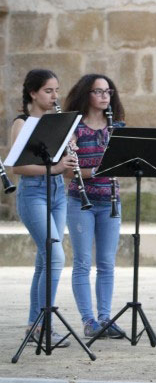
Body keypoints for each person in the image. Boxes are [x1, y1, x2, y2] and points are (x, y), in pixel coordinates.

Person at [10, 69, 77, 348]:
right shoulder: (22, 123)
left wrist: (70, 152)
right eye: (48, 91)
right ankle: (44, 324)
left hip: (58, 192)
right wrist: (56, 167)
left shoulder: (57, 123)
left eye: (57, 90)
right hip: (33, 193)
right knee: (55, 255)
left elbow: (65, 170)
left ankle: (35, 326)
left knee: (44, 261)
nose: (55, 96)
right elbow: (16, 167)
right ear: (33, 93)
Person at [63, 74, 126, 339]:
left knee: (107, 263)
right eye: (98, 91)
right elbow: (67, 172)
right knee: (82, 262)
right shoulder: (73, 128)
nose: (104, 96)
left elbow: (124, 164)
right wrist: (97, 170)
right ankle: (88, 320)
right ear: (85, 94)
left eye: (108, 91)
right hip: (81, 201)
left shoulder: (117, 127)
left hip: (110, 200)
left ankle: (105, 318)